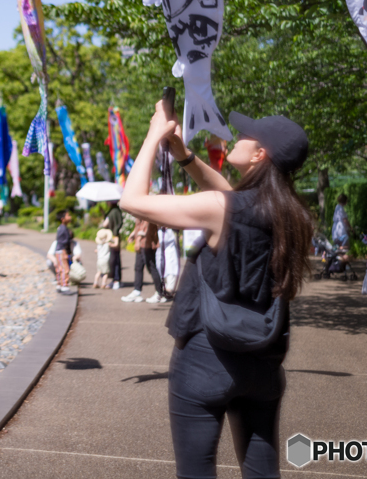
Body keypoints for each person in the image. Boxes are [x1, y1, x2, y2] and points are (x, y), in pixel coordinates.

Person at [120, 101, 312, 479]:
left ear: (259, 154)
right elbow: (227, 197)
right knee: (262, 472)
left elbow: (132, 201)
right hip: (264, 361)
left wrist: (153, 136)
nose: (236, 138)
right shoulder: (294, 215)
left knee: (196, 472)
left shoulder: (227, 208)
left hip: (207, 360)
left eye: (246, 136)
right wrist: (185, 156)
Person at [123, 217, 165, 303]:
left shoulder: (145, 209)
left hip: (147, 243)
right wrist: (133, 234)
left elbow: (145, 227)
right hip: (144, 242)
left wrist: (138, 240)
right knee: (138, 267)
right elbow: (140, 226)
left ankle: (160, 293)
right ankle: (137, 291)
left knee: (151, 267)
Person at [103, 200, 125, 289]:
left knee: (114, 259)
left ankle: (116, 280)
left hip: (112, 237)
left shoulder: (113, 211)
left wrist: (105, 216)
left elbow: (105, 224)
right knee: (116, 258)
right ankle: (116, 279)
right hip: (115, 236)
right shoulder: (116, 211)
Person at [157, 227, 181, 297]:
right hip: (162, 235)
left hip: (168, 234)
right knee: (160, 263)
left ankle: (170, 288)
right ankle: (166, 287)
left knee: (171, 263)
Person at [54, 210, 74, 293]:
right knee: (65, 269)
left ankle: (59, 284)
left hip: (59, 251)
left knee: (60, 269)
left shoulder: (62, 228)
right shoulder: (63, 229)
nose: (70, 217)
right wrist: (65, 252)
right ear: (63, 219)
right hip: (62, 251)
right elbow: (62, 242)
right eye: (68, 215)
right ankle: (64, 286)